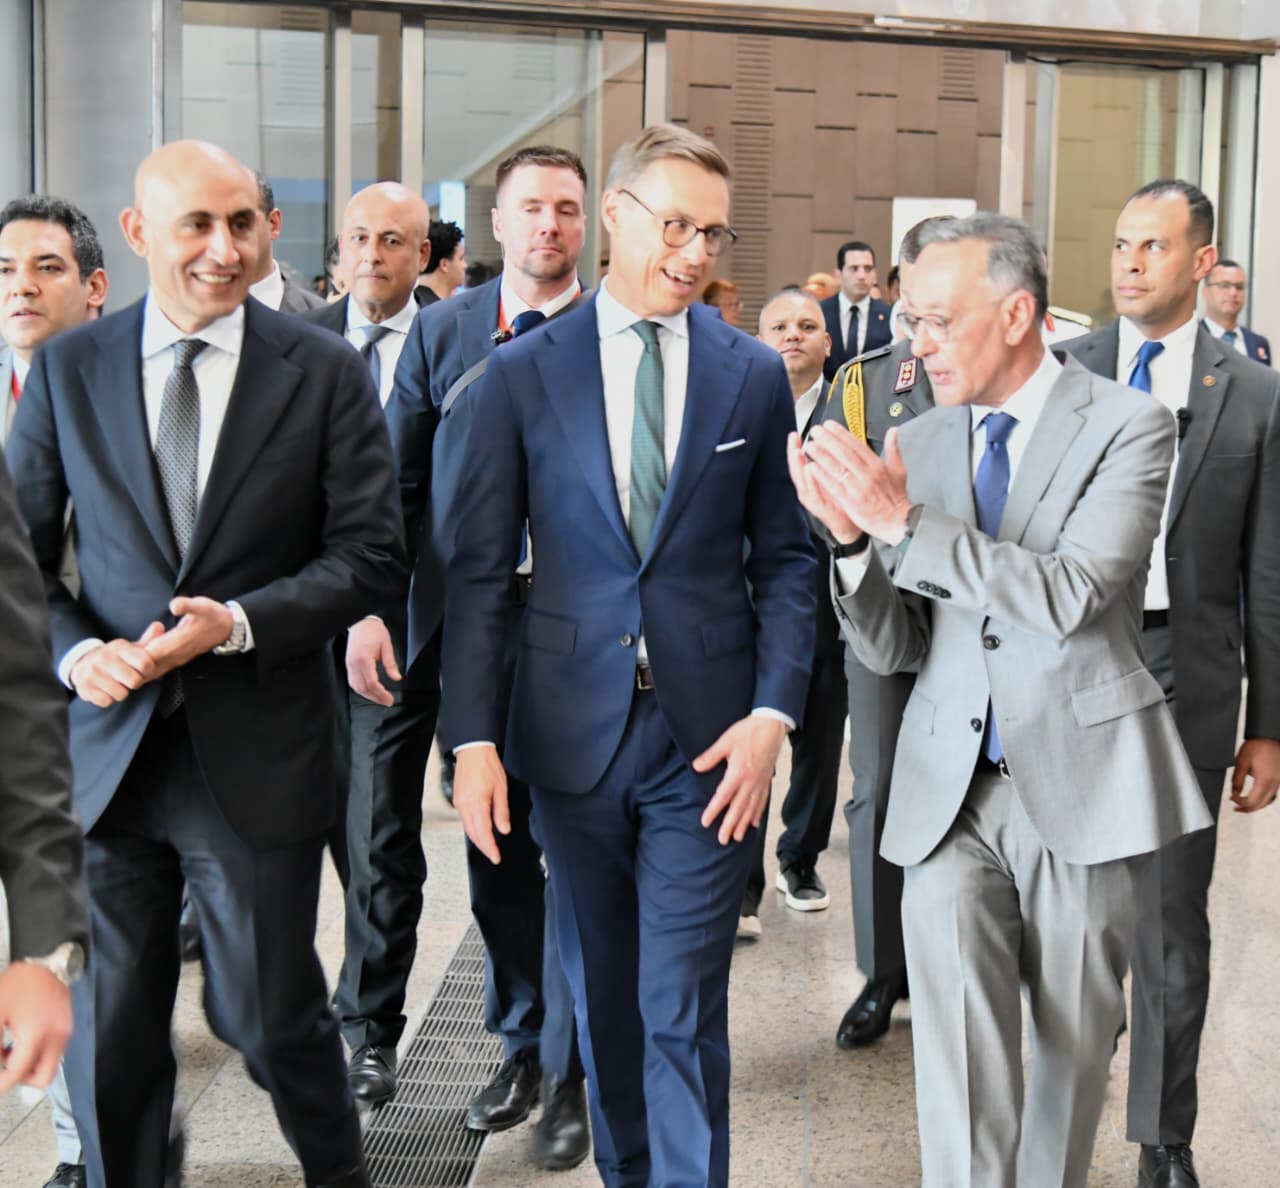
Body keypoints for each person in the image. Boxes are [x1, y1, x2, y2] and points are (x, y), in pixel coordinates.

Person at [7, 139, 406, 1188]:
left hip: (256, 751)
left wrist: (235, 622)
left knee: (268, 1015)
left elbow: (371, 556)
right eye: (197, 224)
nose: (224, 249)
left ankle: (339, 1175)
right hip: (106, 761)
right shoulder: (71, 370)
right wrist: (76, 654)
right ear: (139, 233)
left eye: (242, 223)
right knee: (111, 1035)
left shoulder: (321, 370)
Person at [791, 211, 1211, 1187]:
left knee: (1069, 1051)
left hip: (1079, 781)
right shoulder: (921, 438)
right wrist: (851, 545)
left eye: (937, 322)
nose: (917, 345)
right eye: (909, 321)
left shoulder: (1129, 425)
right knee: (958, 1062)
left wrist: (901, 524)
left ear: (1017, 314)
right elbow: (896, 645)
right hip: (948, 793)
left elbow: (1072, 594)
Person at [441, 123, 815, 1188]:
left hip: (711, 742)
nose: (694, 253)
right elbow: (477, 576)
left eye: (713, 234)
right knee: (604, 996)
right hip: (569, 735)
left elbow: (786, 561)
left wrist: (772, 716)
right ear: (616, 215)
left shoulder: (750, 374)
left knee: (681, 1001)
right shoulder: (523, 374)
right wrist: (473, 739)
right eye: (675, 225)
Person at [1064, 180, 1280, 1188]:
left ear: (1201, 262)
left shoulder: (1254, 394)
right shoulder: (1065, 373)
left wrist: (1267, 723)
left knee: (1169, 921)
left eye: (1152, 247)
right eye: (1120, 244)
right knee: (1068, 914)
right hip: (1073, 668)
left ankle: (1161, 1136)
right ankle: (1064, 1098)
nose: (1129, 263)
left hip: (1182, 672)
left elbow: (1266, 575)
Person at [386, 145, 592, 1171]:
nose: (549, 224)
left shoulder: (613, 335)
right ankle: (522, 1043)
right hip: (474, 623)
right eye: (531, 208)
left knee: (584, 847)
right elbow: (394, 483)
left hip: (586, 627)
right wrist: (374, 613)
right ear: (497, 223)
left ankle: (577, 1066)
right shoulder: (441, 331)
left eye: (567, 208)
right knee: (494, 842)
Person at [301, 181, 432, 1107]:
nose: (373, 254)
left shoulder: (451, 341)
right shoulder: (294, 344)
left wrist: (376, 606)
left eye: (392, 240)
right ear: (339, 248)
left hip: (402, 627)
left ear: (422, 255)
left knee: (380, 829)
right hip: (288, 629)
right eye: (359, 238)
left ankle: (369, 1030)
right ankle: (283, 1010)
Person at [0, 193, 109, 1188]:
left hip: (84, 706)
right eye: (5, 270)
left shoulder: (120, 396)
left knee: (73, 939)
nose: (22, 288)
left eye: (45, 267)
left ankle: (83, 1151)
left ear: (93, 286)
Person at [818, 215, 942, 1050]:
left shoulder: (999, 373)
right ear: (899, 284)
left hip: (979, 613)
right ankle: (882, 972)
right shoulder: (867, 381)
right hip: (885, 611)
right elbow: (826, 485)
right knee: (880, 787)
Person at [739, 288, 841, 935]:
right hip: (753, 603)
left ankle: (799, 860)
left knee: (820, 744)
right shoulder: (742, 406)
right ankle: (742, 884)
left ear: (828, 343)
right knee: (753, 739)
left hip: (831, 603)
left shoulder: (849, 410)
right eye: (779, 326)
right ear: (760, 340)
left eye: (807, 326)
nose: (793, 335)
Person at [246, 171, 326, 314]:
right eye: (205, 226)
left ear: (273, 224)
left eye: (240, 224)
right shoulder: (201, 315)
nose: (221, 241)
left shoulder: (325, 319)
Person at [821, 240, 892, 379]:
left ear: (875, 275)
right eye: (854, 268)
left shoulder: (888, 315)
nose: (862, 276)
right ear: (838, 275)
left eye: (868, 269)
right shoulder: (821, 313)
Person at [1200, 257, 1272, 366]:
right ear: (1205, 291)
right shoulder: (1193, 337)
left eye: (1239, 287)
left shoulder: (1259, 344)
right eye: (1224, 285)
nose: (1233, 293)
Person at [416, 219, 466, 305]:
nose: (465, 265)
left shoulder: (411, 300)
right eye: (461, 258)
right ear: (444, 265)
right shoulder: (425, 307)